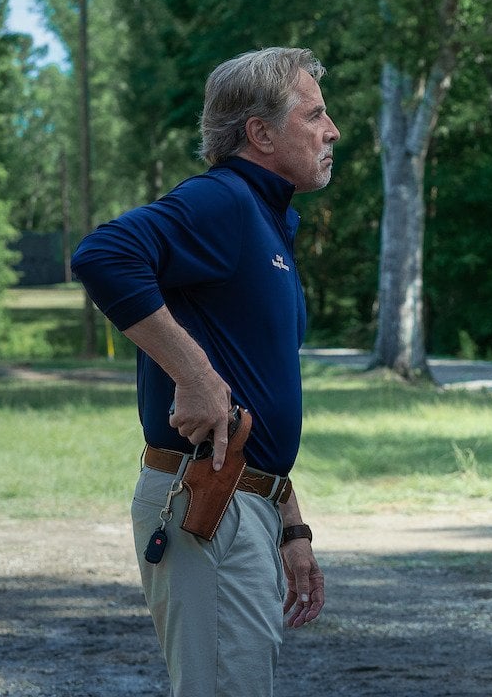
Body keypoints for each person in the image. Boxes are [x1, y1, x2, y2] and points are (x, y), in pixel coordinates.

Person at [71, 46, 339, 696]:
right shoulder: (225, 200)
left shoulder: (267, 220)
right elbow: (103, 254)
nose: (332, 131)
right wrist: (192, 374)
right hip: (210, 506)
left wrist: (290, 521)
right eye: (314, 115)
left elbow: (255, 389)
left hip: (246, 502)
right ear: (261, 133)